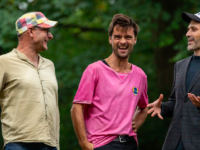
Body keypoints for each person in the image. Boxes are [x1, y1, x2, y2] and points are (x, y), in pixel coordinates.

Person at [71, 14, 148, 150]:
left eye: (128, 37)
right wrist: (84, 143)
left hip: (130, 143)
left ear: (135, 40)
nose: (123, 41)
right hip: (101, 144)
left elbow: (143, 107)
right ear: (110, 39)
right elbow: (77, 108)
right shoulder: (94, 70)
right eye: (118, 37)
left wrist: (135, 122)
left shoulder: (140, 75)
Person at [0, 12, 60, 150]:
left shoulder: (49, 65)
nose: (50, 36)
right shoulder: (3, 62)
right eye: (46, 30)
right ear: (31, 31)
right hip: (18, 144)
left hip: (50, 145)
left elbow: (54, 109)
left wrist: (56, 145)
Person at [147, 12, 200, 150]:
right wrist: (163, 108)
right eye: (188, 29)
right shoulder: (180, 66)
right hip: (174, 143)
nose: (187, 34)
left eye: (194, 29)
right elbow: (176, 103)